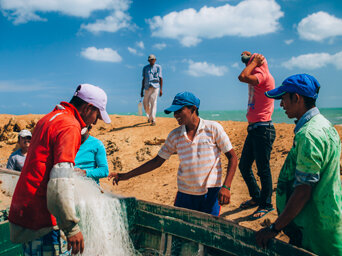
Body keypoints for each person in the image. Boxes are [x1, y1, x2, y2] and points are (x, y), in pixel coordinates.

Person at [8, 83, 111, 256]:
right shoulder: (70, 126)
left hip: (25, 212)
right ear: (87, 108)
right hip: (41, 219)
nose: (95, 121)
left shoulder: (49, 118)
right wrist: (71, 228)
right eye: (97, 115)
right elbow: (59, 182)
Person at [109, 92, 237, 216]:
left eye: (179, 111)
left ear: (193, 108)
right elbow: (156, 162)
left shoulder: (213, 128)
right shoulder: (175, 135)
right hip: (185, 194)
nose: (175, 115)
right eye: (174, 112)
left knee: (209, 231)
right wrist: (126, 175)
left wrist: (226, 186)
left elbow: (233, 157)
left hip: (211, 193)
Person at [256, 74, 342, 256]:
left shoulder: (308, 134)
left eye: (284, 99)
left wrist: (274, 228)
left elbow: (303, 190)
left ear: (297, 98)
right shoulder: (326, 126)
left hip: (315, 226)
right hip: (327, 216)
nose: (281, 104)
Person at [237, 51, 276, 219]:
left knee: (263, 169)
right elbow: (246, 71)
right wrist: (250, 57)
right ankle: (256, 197)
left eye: (251, 63)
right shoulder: (256, 72)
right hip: (254, 129)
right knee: (244, 166)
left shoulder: (263, 75)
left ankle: (266, 204)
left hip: (263, 129)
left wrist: (255, 62)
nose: (248, 65)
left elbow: (242, 77)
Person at [141, 54, 163, 126]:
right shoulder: (145, 68)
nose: (152, 61)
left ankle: (153, 119)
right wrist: (141, 90)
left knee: (153, 103)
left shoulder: (158, 67)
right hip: (147, 87)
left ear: (155, 60)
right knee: (146, 103)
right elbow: (143, 79)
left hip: (155, 87)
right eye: (150, 60)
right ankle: (149, 116)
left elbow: (161, 78)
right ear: (149, 61)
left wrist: (161, 89)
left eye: (153, 59)